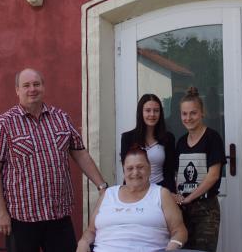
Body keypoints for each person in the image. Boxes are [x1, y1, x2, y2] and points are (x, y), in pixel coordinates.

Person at [0, 68, 110, 252]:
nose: (32, 89)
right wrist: (0, 212)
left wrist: (102, 186)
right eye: (26, 85)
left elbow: (80, 153)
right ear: (17, 90)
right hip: (21, 219)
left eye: (36, 84)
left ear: (43, 87)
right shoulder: (3, 123)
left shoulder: (61, 118)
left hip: (58, 216)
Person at [76, 145, 188, 252]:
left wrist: (172, 246)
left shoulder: (161, 194)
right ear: (124, 171)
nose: (135, 172)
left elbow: (179, 230)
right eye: (130, 168)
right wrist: (83, 242)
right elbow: (91, 230)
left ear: (149, 169)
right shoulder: (108, 194)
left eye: (140, 167)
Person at [173, 86, 226, 252]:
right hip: (183, 209)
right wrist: (178, 196)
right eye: (184, 114)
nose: (188, 118)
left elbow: (213, 176)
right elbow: (177, 174)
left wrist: (190, 198)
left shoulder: (212, 138)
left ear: (202, 113)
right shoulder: (181, 142)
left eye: (193, 113)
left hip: (206, 209)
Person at [120, 93, 177, 192]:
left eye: (156, 110)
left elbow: (169, 172)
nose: (152, 114)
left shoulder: (168, 138)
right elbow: (127, 170)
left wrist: (170, 194)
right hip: (135, 190)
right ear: (140, 112)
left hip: (161, 190)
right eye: (148, 110)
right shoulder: (127, 138)